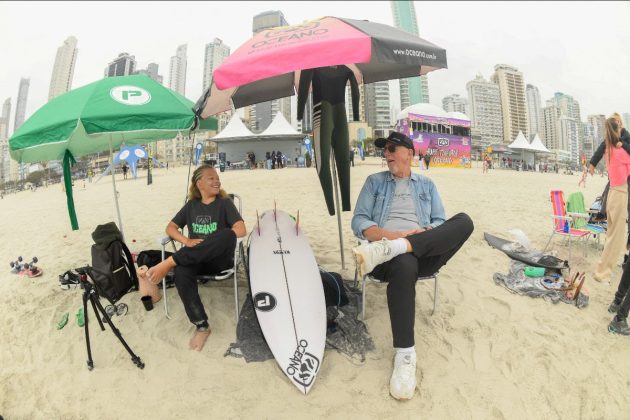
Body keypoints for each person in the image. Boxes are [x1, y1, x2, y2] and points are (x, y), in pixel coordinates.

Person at [350, 131, 474, 400]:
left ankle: (403, 247)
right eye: (385, 150)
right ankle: (405, 355)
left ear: (410, 153)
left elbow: (441, 221)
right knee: (405, 264)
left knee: (464, 221)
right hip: (382, 257)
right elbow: (359, 221)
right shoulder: (374, 183)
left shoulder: (426, 185)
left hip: (422, 251)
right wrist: (392, 237)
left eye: (393, 148)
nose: (387, 153)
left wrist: (422, 233)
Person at [141, 164, 246, 351]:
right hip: (194, 260)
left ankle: (170, 261)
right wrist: (186, 240)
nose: (217, 181)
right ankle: (201, 325)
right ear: (200, 184)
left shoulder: (224, 203)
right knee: (182, 271)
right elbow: (171, 228)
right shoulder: (191, 206)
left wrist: (212, 240)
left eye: (217, 178)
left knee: (226, 234)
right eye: (211, 178)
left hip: (219, 261)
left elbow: (240, 229)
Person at [588, 115, 630, 282]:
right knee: (616, 239)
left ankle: (601, 271)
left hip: (613, 192)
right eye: (620, 127)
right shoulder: (620, 152)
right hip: (619, 194)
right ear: (617, 130)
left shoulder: (609, 149)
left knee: (611, 236)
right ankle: (602, 274)